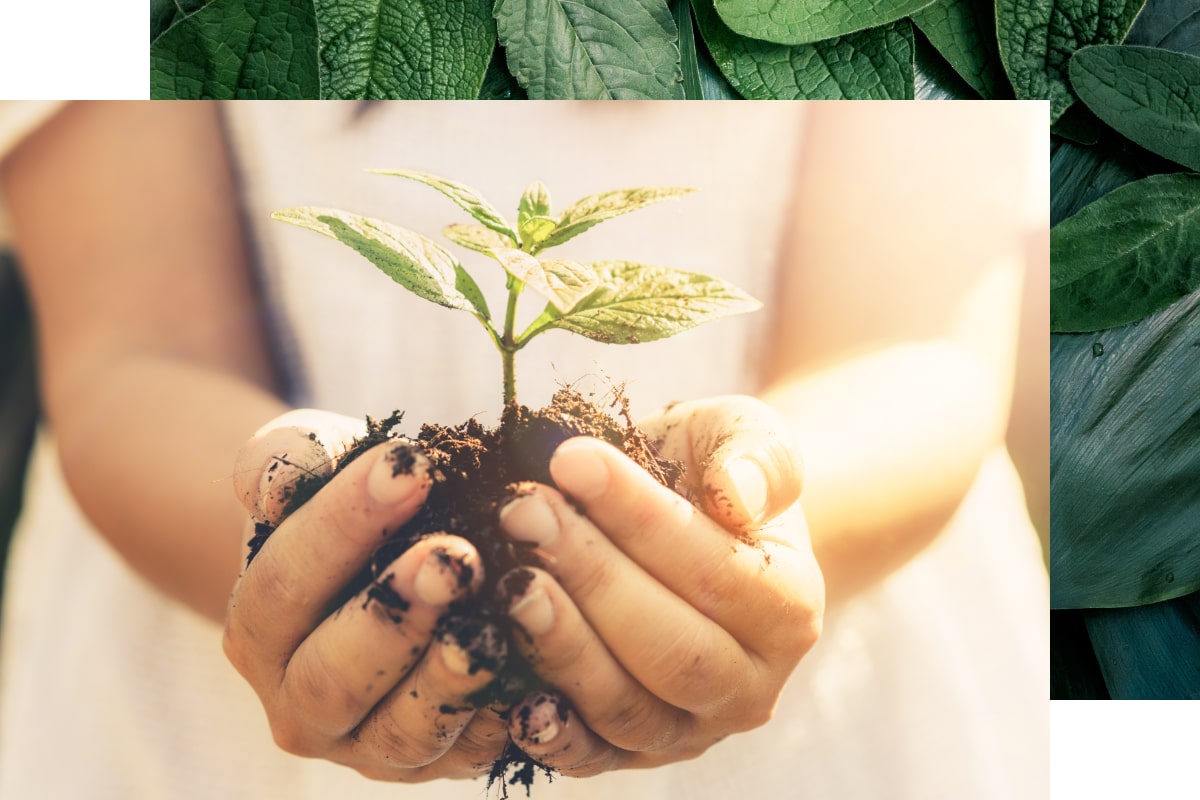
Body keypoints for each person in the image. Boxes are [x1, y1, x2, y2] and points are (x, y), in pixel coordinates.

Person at [0, 101, 1048, 798]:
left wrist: (749, 524)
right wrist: (302, 539)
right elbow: (128, 351)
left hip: (837, 711)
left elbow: (910, 345)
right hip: (196, 668)